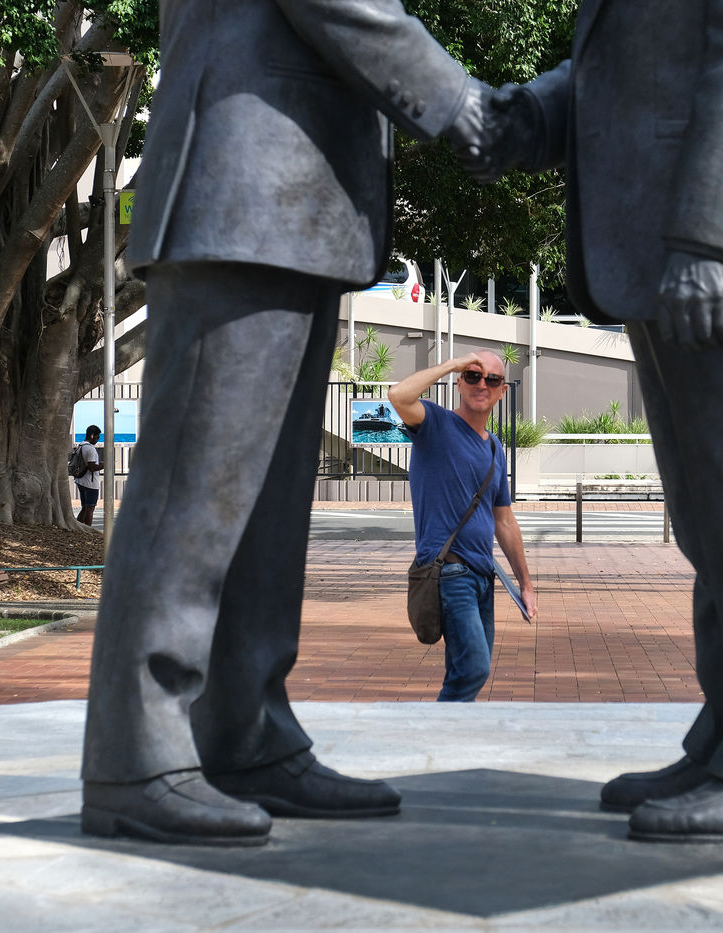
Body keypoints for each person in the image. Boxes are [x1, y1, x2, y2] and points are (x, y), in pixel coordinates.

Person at [80, 1, 505, 847]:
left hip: (297, 204)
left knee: (265, 515)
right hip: (237, 183)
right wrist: (465, 107)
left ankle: (247, 733)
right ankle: (138, 754)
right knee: (191, 501)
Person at [470, 0, 723, 843]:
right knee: (711, 522)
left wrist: (709, 237)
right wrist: (530, 115)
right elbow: (644, 63)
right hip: (672, 251)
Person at [388, 351, 537, 701]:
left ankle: (448, 732)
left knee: (465, 671)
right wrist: (453, 364)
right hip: (450, 572)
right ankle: (438, 730)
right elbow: (398, 396)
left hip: (484, 576)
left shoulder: (495, 448)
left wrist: (526, 584)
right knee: (473, 668)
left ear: (502, 391)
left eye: (492, 379)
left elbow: (504, 521)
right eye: (472, 376)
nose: (482, 384)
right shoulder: (435, 425)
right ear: (459, 383)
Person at [73, 425, 103, 527]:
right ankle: (88, 530)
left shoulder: (81, 446)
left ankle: (79, 528)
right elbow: (92, 467)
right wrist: (103, 465)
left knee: (85, 507)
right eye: (97, 437)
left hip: (80, 480)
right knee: (90, 508)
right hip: (90, 483)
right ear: (92, 435)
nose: (97, 440)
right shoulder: (90, 449)